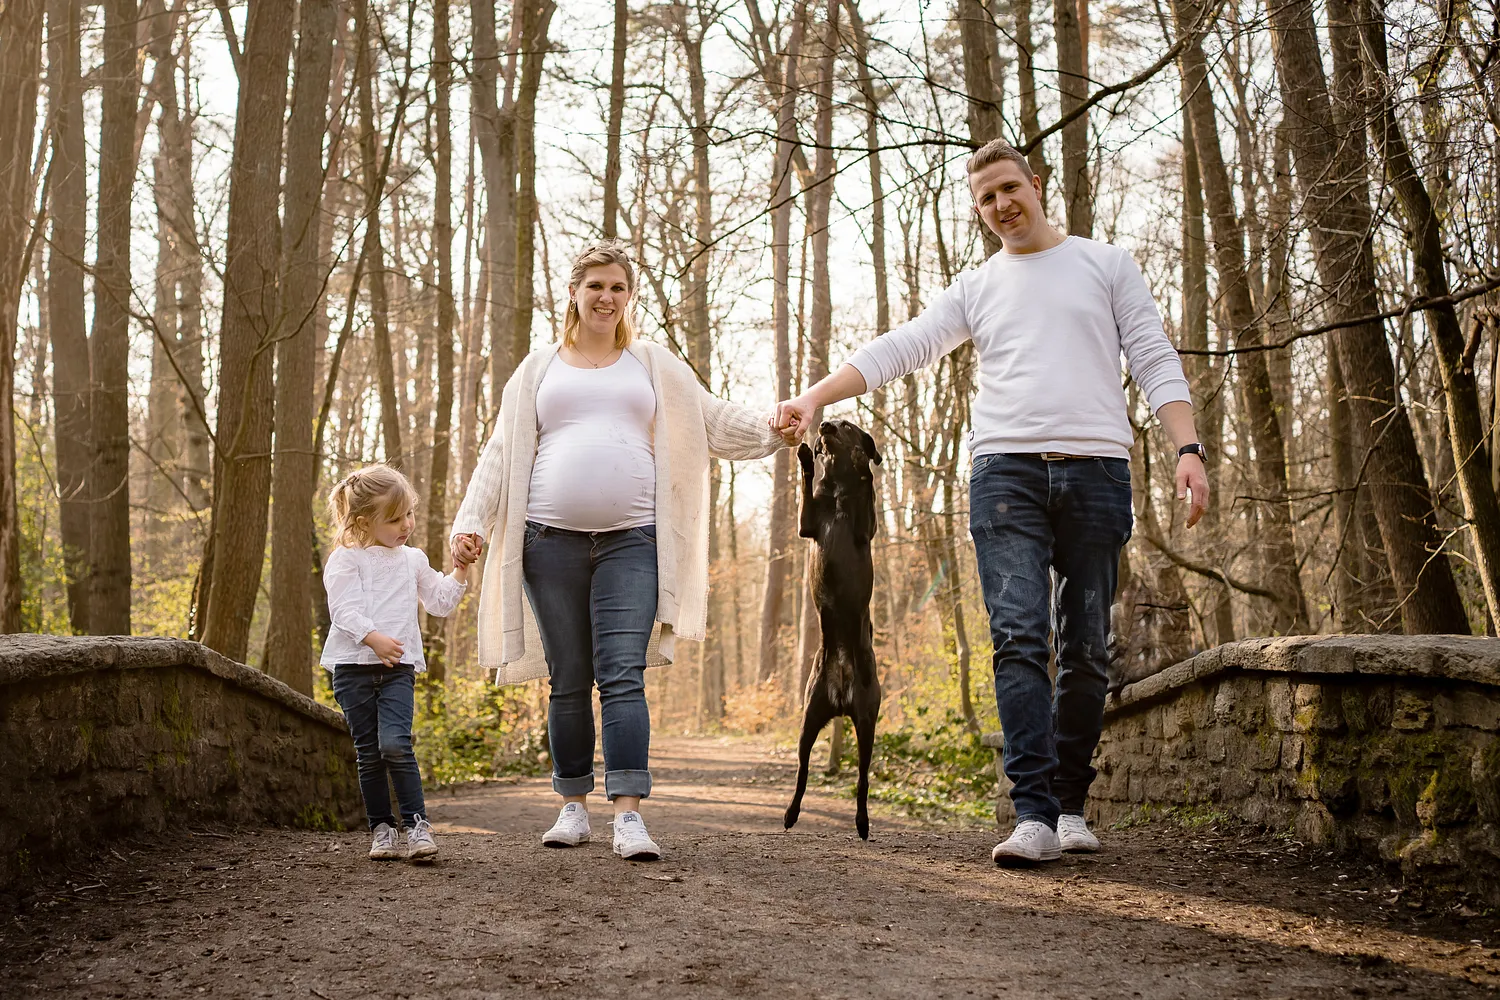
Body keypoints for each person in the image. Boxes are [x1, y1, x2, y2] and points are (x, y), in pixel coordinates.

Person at [773, 138, 1210, 866]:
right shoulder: (978, 286)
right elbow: (904, 346)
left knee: (1085, 649)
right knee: (1017, 636)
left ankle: (1072, 802)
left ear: (1036, 185)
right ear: (978, 210)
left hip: (1097, 470)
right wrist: (817, 395)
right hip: (1004, 475)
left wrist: (1186, 449)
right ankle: (1033, 813)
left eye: (1010, 189)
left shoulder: (1106, 265)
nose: (1002, 206)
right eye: (986, 199)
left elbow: (1154, 354)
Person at [449, 239, 793, 861]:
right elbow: (500, 452)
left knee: (621, 675)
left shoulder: (655, 365)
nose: (605, 298)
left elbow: (712, 421)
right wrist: (471, 521)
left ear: (629, 297)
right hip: (546, 544)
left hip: (633, 543)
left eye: (617, 288)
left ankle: (629, 814)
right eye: (595, 286)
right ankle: (572, 806)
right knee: (569, 678)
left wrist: (775, 426)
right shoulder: (537, 369)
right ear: (574, 294)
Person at [320, 463, 469, 861]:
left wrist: (460, 569)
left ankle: (418, 825)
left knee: (397, 745)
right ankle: (382, 828)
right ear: (364, 521)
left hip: (398, 670)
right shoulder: (346, 559)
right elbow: (344, 610)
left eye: (409, 514)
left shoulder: (413, 559)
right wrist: (372, 638)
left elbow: (439, 602)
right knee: (369, 752)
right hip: (353, 669)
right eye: (395, 518)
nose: (406, 524)